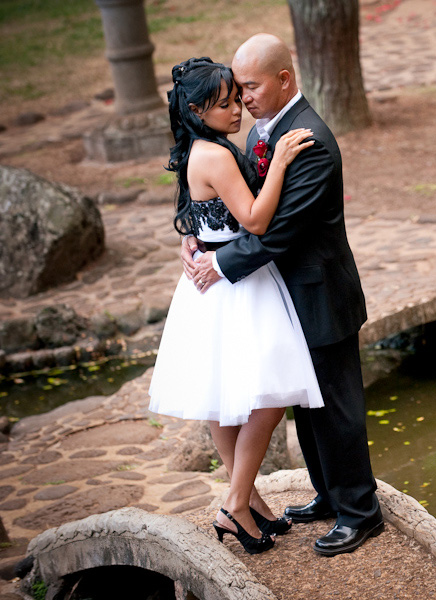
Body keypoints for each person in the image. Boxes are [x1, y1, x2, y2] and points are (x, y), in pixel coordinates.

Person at [181, 34, 384, 556]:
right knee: (305, 403)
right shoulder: (259, 134)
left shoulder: (309, 139)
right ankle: (327, 495)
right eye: (237, 90)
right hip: (280, 296)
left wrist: (218, 264)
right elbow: (234, 202)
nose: (243, 98)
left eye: (249, 87)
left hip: (319, 293)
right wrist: (197, 237)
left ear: (283, 80)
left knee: (336, 407)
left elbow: (277, 231)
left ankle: (360, 512)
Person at [148, 56, 319, 555]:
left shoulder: (200, 150)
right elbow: (256, 220)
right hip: (236, 286)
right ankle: (235, 504)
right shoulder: (218, 156)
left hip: (212, 280)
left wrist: (194, 241)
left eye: (236, 97)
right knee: (268, 398)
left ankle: (253, 506)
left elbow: (202, 214)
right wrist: (281, 162)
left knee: (224, 399)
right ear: (198, 111)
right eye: (224, 103)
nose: (238, 108)